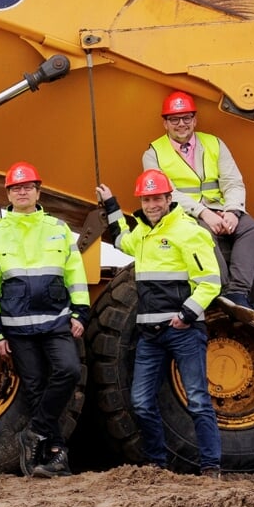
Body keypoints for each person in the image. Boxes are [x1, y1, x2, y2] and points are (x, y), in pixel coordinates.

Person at [97, 169, 224, 477]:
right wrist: (111, 204)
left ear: (169, 198)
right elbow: (122, 241)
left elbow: (210, 282)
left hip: (183, 333)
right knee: (140, 403)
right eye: (147, 199)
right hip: (149, 335)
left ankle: (211, 467)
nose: (152, 204)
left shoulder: (189, 231)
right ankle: (158, 465)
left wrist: (185, 316)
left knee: (197, 400)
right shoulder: (142, 232)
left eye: (157, 198)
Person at [0, 162, 90, 478]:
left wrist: (81, 311)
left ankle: (35, 432)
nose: (23, 192)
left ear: (38, 191)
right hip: (17, 326)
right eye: (16, 187)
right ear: (9, 194)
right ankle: (55, 454)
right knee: (34, 387)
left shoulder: (58, 228)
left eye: (28, 186)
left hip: (56, 320)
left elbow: (75, 273)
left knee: (68, 371)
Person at [141, 90, 254, 322]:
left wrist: (233, 212)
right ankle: (222, 291)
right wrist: (204, 212)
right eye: (174, 119)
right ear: (165, 123)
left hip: (221, 209)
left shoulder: (214, 144)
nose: (181, 124)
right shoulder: (153, 153)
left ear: (195, 120)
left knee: (251, 227)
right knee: (202, 234)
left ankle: (238, 292)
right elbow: (167, 193)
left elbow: (232, 181)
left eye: (186, 118)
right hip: (184, 214)